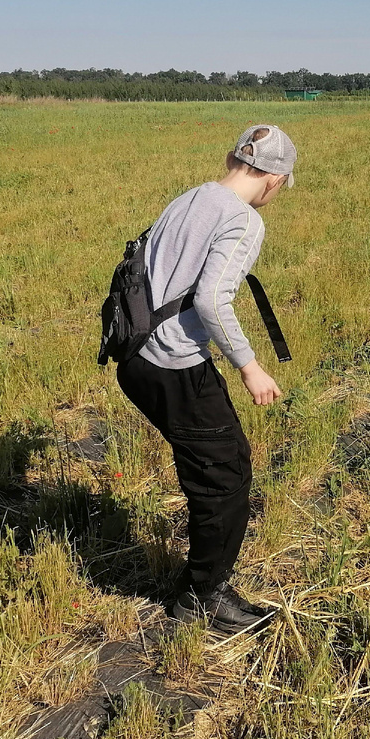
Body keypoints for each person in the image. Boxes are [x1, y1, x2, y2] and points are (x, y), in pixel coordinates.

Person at [115, 124, 295, 632]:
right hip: (174, 365)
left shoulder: (193, 196)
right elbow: (212, 299)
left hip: (136, 358)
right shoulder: (243, 220)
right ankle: (202, 597)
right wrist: (250, 366)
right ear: (274, 180)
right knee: (226, 477)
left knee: (211, 460)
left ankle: (204, 582)